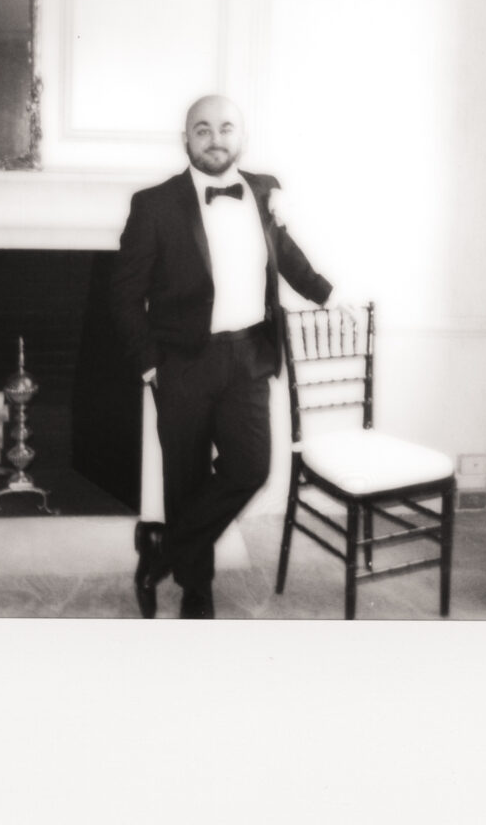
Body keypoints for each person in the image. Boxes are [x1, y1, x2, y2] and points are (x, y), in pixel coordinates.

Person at [111, 94, 335, 618]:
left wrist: (326, 295)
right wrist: (150, 364)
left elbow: (285, 255)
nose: (216, 139)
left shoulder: (264, 190)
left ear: (242, 136)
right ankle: (197, 591)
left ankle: (162, 548)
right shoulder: (154, 204)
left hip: (250, 355)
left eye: (226, 128)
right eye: (203, 129)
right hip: (181, 362)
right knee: (185, 478)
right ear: (186, 139)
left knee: (251, 467)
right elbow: (123, 293)